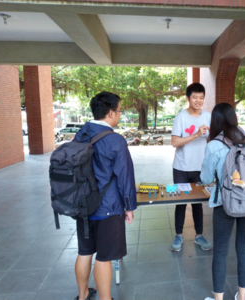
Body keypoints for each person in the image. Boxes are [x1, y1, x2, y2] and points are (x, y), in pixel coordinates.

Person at [73, 91, 137, 300]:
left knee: (85, 252)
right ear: (110, 113)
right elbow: (125, 177)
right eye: (119, 110)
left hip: (82, 205)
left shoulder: (81, 134)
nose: (119, 114)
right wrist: (129, 207)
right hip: (107, 208)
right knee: (104, 257)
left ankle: (83, 295)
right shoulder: (115, 140)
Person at [201, 103, 245, 300]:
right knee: (244, 249)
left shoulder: (214, 145)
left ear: (216, 122)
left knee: (220, 251)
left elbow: (205, 179)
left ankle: (218, 298)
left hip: (225, 203)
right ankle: (242, 296)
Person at [170, 82, 212, 252]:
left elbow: (212, 140)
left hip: (200, 168)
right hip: (181, 166)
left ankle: (199, 235)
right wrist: (195, 135)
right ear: (188, 98)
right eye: (195, 97)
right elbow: (174, 142)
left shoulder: (208, 117)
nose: (198, 100)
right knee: (180, 201)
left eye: (201, 97)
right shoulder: (181, 117)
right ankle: (178, 236)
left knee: (197, 203)